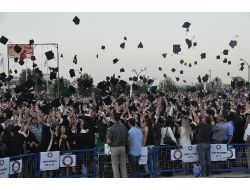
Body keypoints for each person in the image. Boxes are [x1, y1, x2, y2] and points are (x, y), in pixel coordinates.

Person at [106, 111, 128, 178]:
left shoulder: (111, 128)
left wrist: (110, 145)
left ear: (114, 119)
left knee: (115, 165)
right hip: (123, 147)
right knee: (123, 165)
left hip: (114, 148)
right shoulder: (124, 127)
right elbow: (127, 138)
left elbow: (108, 141)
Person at [192, 108, 212, 177]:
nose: (202, 118)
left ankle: (203, 174)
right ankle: (208, 173)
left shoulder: (201, 125)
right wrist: (202, 111)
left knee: (203, 160)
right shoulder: (210, 126)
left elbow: (195, 117)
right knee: (208, 160)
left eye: (203, 118)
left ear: (205, 120)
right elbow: (207, 117)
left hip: (201, 145)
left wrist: (193, 109)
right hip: (208, 144)